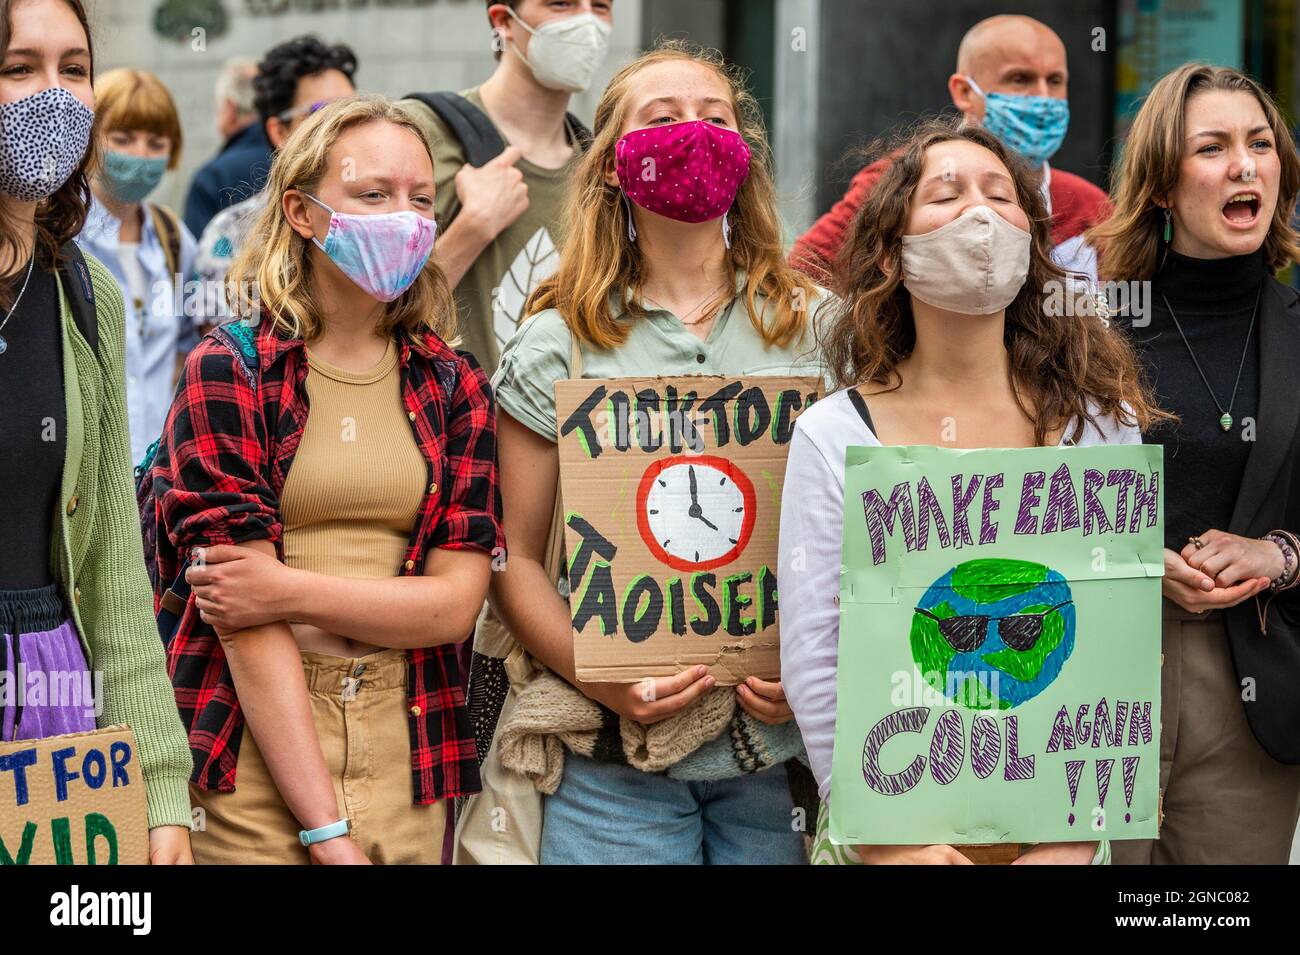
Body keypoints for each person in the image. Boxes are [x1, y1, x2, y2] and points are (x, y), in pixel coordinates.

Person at [777, 116, 1169, 865]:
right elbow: (816, 657)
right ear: (892, 247)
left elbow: (1123, 642)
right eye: (946, 194)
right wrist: (888, 845)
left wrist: (1075, 840)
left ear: (1032, 242)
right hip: (891, 836)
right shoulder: (833, 435)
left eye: (1001, 194)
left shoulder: (1100, 426)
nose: (980, 213)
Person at [140, 95, 502, 864]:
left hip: (408, 732)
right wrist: (326, 831)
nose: (403, 217)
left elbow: (455, 604)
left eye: (420, 198)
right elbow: (240, 616)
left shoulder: (453, 383)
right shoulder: (228, 368)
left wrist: (289, 587)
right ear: (302, 213)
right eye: (373, 195)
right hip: (252, 739)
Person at [488, 41, 823, 864]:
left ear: (745, 155)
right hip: (612, 778)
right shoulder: (553, 342)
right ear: (609, 164)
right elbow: (513, 559)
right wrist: (599, 677)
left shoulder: (820, 327)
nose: (694, 135)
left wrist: (814, 676)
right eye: (663, 119)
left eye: (717, 119)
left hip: (774, 768)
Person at [1087, 64, 1300, 865]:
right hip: (1089, 666)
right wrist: (1137, 561)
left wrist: (1279, 554)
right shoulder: (1089, 330)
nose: (1246, 165)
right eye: (1212, 147)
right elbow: (1020, 500)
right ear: (1163, 188)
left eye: (1260, 144)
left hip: (1250, 678)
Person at [0, 0, 193, 863]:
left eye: (73, 69)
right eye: (17, 70)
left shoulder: (88, 297)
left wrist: (159, 784)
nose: (54, 97)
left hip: (53, 712)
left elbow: (115, 566)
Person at [791, 14, 1106, 281]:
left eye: (1054, 81)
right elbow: (803, 274)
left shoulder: (1089, 207)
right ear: (964, 91)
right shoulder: (901, 179)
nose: (1042, 97)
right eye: (1020, 79)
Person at [399, 0, 613, 375]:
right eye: (560, 4)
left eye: (600, 6)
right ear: (503, 21)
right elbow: (368, 318)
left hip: (559, 426)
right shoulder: (422, 133)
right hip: (451, 425)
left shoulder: (600, 167)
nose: (586, 23)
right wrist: (473, 228)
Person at [76, 67, 198, 466]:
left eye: (156, 142)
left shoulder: (172, 237)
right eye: (123, 139)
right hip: (83, 467)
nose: (141, 155)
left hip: (156, 471)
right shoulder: (61, 234)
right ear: (90, 138)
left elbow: (186, 346)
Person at [191, 36, 356, 317]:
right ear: (279, 131)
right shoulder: (232, 234)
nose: (344, 126)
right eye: (322, 113)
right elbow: (223, 350)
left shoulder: (377, 221)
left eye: (354, 111)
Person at [182, 57, 273, 238]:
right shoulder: (296, 158)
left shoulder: (212, 177)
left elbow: (199, 258)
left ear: (230, 109)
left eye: (218, 109)